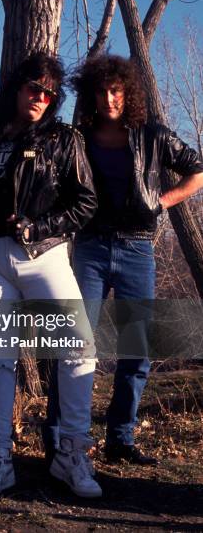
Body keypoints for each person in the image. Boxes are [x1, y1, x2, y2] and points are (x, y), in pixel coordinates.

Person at [0, 53, 102, 498]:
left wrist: (38, 228)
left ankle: (71, 453)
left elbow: (85, 202)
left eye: (49, 93)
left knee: (78, 348)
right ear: (17, 87)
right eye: (33, 89)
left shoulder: (63, 138)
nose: (40, 98)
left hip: (44, 254)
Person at [70, 54, 203, 464]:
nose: (110, 98)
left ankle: (120, 439)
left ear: (128, 94)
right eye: (102, 91)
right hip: (89, 248)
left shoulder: (152, 135)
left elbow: (197, 170)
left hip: (137, 249)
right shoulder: (79, 136)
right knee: (76, 344)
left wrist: (163, 202)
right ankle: (66, 439)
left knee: (136, 349)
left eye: (117, 91)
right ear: (92, 94)